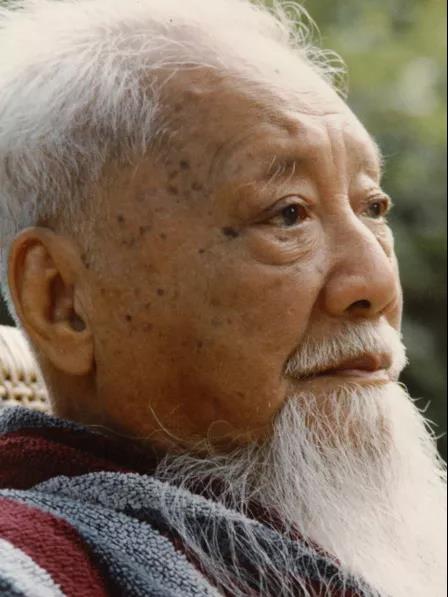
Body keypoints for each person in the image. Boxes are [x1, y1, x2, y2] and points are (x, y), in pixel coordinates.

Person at [0, 0, 446, 595]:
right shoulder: (34, 565)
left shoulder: (383, 548)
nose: (377, 283)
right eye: (288, 214)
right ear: (62, 301)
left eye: (373, 207)